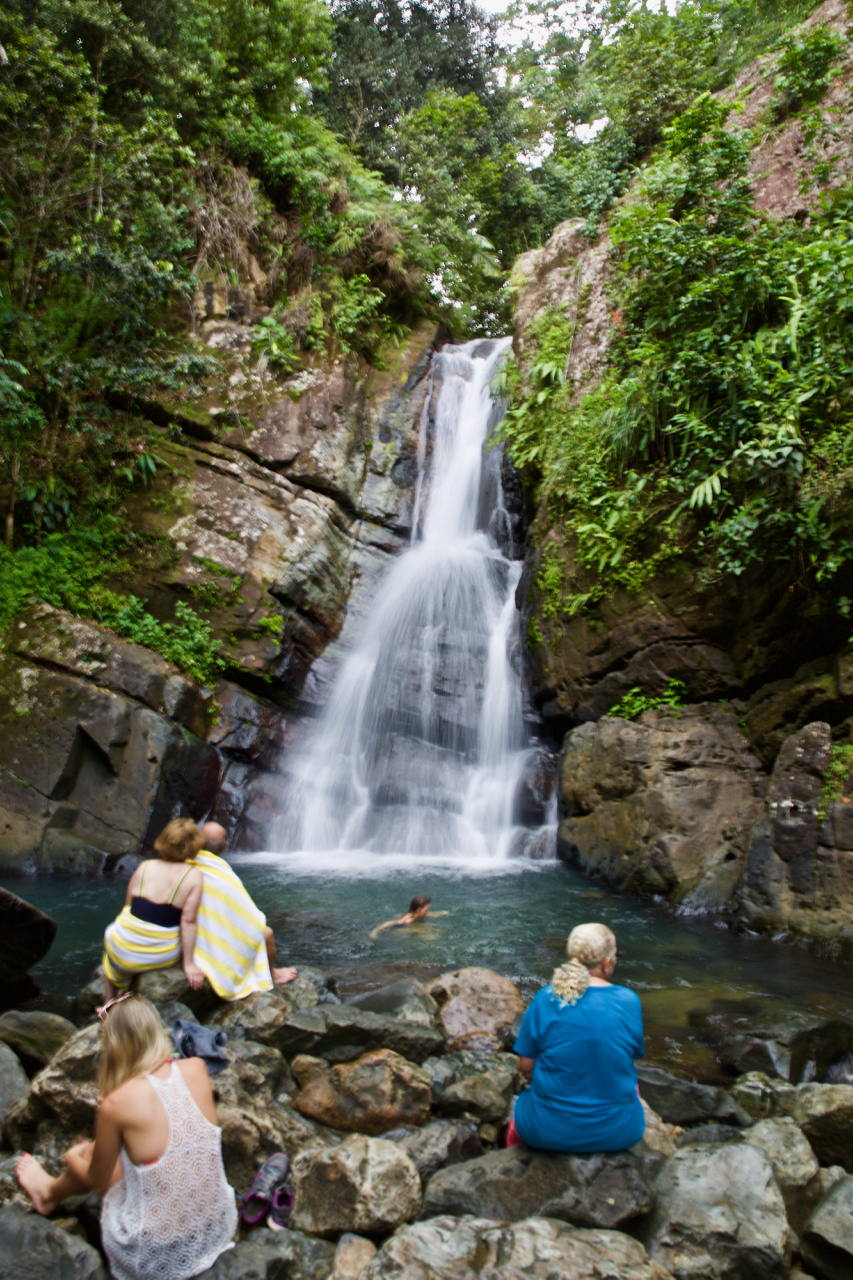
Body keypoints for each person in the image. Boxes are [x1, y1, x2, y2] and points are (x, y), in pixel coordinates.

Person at [16, 993, 238, 1280]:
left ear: (113, 1047)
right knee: (122, 1151)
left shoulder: (117, 1104)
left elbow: (96, 1181)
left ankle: (48, 1192)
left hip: (155, 1253)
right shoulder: (196, 1068)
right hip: (216, 1228)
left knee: (86, 1156)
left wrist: (72, 1157)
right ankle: (50, 1189)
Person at [508, 922, 645, 1152]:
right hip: (618, 1132)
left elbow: (526, 1066)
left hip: (547, 1130)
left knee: (517, 1119)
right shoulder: (629, 1000)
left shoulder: (545, 997)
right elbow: (630, 1056)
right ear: (606, 962)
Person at [102, 818, 206, 1004]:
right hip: (158, 953)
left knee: (110, 944)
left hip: (121, 947)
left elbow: (128, 907)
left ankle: (109, 1002)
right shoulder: (193, 875)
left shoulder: (144, 866)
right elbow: (188, 922)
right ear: (194, 846)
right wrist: (189, 964)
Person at [194, 822, 297, 994]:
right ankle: (272, 973)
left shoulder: (184, 865)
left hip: (184, 936)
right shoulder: (225, 877)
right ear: (226, 846)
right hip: (208, 941)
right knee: (267, 933)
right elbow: (251, 919)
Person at [369, 894, 448, 940]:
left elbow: (430, 914)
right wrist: (374, 932)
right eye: (427, 909)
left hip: (408, 926)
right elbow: (389, 923)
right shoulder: (408, 919)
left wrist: (442, 913)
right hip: (395, 929)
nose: (429, 911)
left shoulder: (417, 913)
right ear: (418, 910)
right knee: (428, 933)